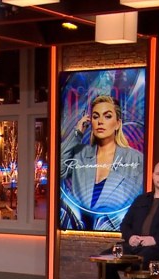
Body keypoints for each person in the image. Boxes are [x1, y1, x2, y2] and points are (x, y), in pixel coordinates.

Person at [61, 94, 145, 231]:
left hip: (117, 232)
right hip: (79, 232)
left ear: (118, 123)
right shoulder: (80, 154)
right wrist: (77, 133)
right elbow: (58, 170)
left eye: (107, 116)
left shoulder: (135, 159)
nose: (100, 121)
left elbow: (139, 202)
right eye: (95, 117)